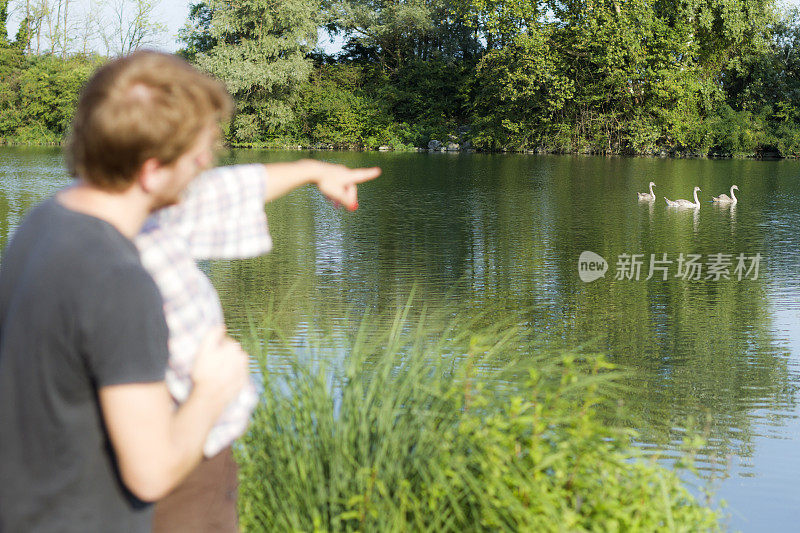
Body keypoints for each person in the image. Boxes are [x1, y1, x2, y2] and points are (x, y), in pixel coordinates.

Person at [0, 50, 378, 533]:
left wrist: (312, 171)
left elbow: (221, 192)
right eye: (197, 155)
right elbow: (151, 472)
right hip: (143, 502)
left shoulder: (49, 219)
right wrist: (213, 388)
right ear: (152, 172)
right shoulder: (120, 281)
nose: (205, 164)